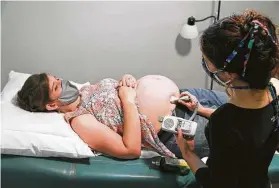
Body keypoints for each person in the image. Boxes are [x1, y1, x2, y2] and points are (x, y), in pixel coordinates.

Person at [175, 10, 279, 188]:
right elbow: (248, 125)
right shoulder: (274, 89)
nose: (204, 62)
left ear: (228, 74)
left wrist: (188, 154)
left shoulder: (222, 123)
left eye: (206, 59)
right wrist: (201, 109)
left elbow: (217, 184)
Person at [16, 73, 181, 159]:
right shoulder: (80, 120)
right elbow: (130, 149)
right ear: (52, 105)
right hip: (177, 128)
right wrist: (128, 100)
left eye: (56, 78)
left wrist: (127, 79)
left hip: (188, 99)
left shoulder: (86, 90)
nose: (62, 81)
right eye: (56, 86)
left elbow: (119, 95)